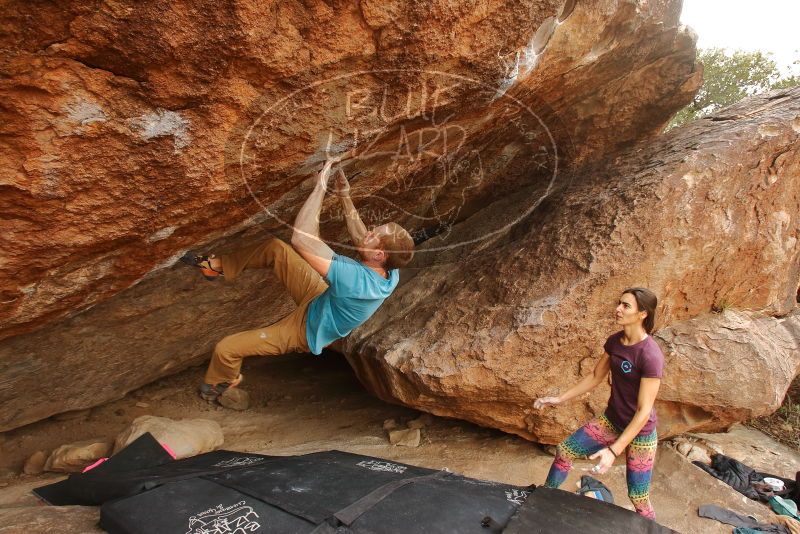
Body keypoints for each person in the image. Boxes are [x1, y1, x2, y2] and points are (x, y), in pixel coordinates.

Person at [181, 157, 415, 402]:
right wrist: (345, 195)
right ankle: (215, 267)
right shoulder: (390, 270)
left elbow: (302, 239)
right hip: (320, 299)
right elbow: (361, 240)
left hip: (305, 330)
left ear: (379, 254)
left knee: (226, 348)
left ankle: (221, 381)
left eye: (374, 234)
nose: (369, 231)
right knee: (275, 249)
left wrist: (320, 187)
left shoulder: (356, 280)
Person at [534, 288, 664, 520]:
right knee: (565, 450)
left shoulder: (650, 355)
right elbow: (595, 376)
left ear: (642, 314)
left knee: (638, 496)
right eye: (619, 303)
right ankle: (544, 500)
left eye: (626, 306)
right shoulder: (615, 341)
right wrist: (560, 398)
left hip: (640, 434)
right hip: (611, 421)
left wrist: (614, 451)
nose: (618, 309)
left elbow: (644, 411)